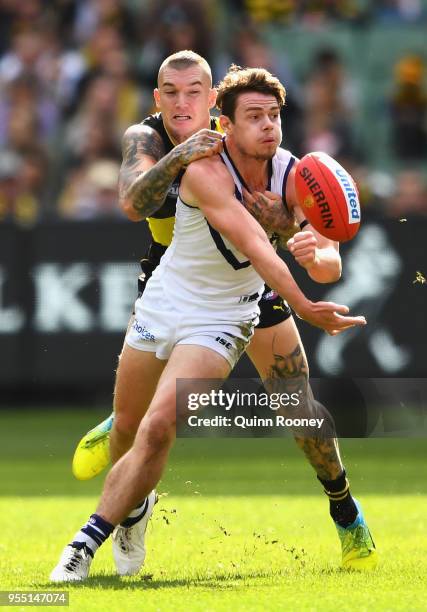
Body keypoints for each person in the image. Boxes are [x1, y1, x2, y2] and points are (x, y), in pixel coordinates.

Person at [50, 61, 377, 582]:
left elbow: (325, 257)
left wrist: (315, 255)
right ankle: (132, 499)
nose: (183, 104)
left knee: (296, 406)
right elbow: (135, 203)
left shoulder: (298, 172)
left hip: (247, 293)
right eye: (172, 94)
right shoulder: (159, 141)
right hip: (173, 277)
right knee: (137, 426)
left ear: (209, 103)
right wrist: (183, 158)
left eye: (275, 115)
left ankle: (344, 507)